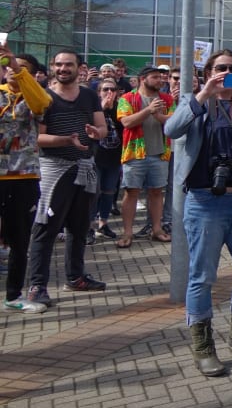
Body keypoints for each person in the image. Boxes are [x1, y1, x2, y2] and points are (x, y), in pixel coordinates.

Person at [165, 50, 232, 377]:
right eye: (220, 68)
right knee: (202, 276)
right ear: (208, 71)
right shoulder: (195, 101)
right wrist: (204, 94)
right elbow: (172, 129)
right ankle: (203, 345)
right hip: (204, 202)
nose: (227, 73)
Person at [27, 50, 109, 308]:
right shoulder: (43, 97)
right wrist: (66, 140)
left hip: (85, 168)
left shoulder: (88, 95)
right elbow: (37, 138)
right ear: (53, 67)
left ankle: (75, 277)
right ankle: (37, 285)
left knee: (79, 227)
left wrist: (97, 133)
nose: (63, 69)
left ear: (78, 67)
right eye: (59, 64)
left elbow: (102, 127)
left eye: (68, 64)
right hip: (53, 169)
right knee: (45, 228)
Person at [0, 49, 52, 312]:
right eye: (8, 66)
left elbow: (42, 103)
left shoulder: (34, 97)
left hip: (24, 176)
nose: (11, 70)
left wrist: (18, 71)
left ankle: (13, 296)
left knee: (20, 240)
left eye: (20, 68)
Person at [115, 66, 175, 247]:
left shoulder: (167, 99)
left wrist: (157, 115)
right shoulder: (127, 98)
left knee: (157, 192)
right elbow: (126, 122)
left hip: (160, 153)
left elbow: (173, 122)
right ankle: (127, 232)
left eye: (161, 77)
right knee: (131, 192)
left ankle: (157, 229)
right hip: (135, 154)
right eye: (155, 77)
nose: (160, 80)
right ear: (143, 79)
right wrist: (148, 110)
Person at [91, 78, 123, 242]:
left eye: (112, 90)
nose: (109, 93)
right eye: (105, 90)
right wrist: (103, 109)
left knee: (109, 191)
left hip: (114, 157)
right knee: (93, 192)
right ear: (99, 92)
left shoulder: (119, 108)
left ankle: (103, 223)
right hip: (96, 157)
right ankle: (89, 226)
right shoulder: (94, 108)